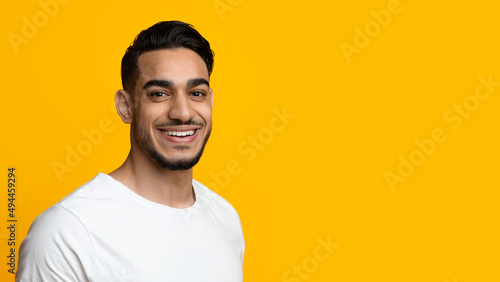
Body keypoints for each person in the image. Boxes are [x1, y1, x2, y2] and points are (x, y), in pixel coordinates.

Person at [16, 21, 245, 281]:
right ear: (126, 107)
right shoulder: (68, 232)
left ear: (210, 101)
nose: (182, 112)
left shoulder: (226, 219)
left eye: (196, 93)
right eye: (159, 93)